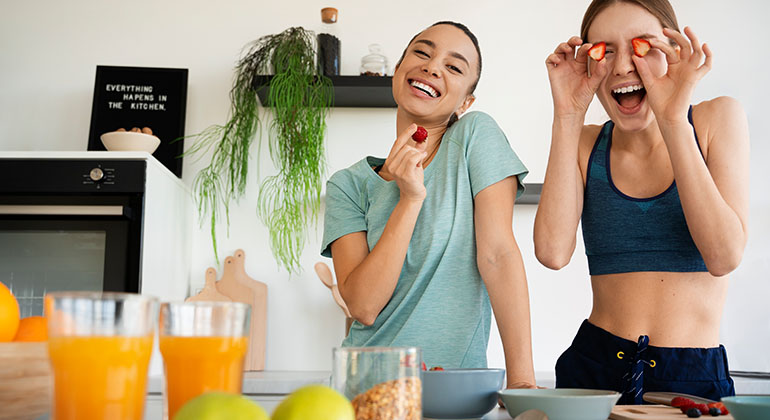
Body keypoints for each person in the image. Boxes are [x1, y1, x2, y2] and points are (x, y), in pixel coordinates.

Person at [535, 0, 749, 404]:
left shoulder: (715, 119)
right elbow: (552, 252)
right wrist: (567, 114)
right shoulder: (586, 142)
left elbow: (723, 256)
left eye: (641, 46)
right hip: (593, 368)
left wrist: (672, 119)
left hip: (692, 376)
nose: (620, 67)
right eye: (604, 50)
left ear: (674, 50)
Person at [321, 21, 537, 389]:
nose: (432, 67)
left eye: (454, 67)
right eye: (422, 52)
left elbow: (498, 255)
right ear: (397, 72)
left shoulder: (475, 137)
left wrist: (523, 381)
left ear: (465, 102)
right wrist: (409, 199)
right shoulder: (348, 184)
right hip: (364, 388)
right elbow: (363, 306)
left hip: (453, 391)